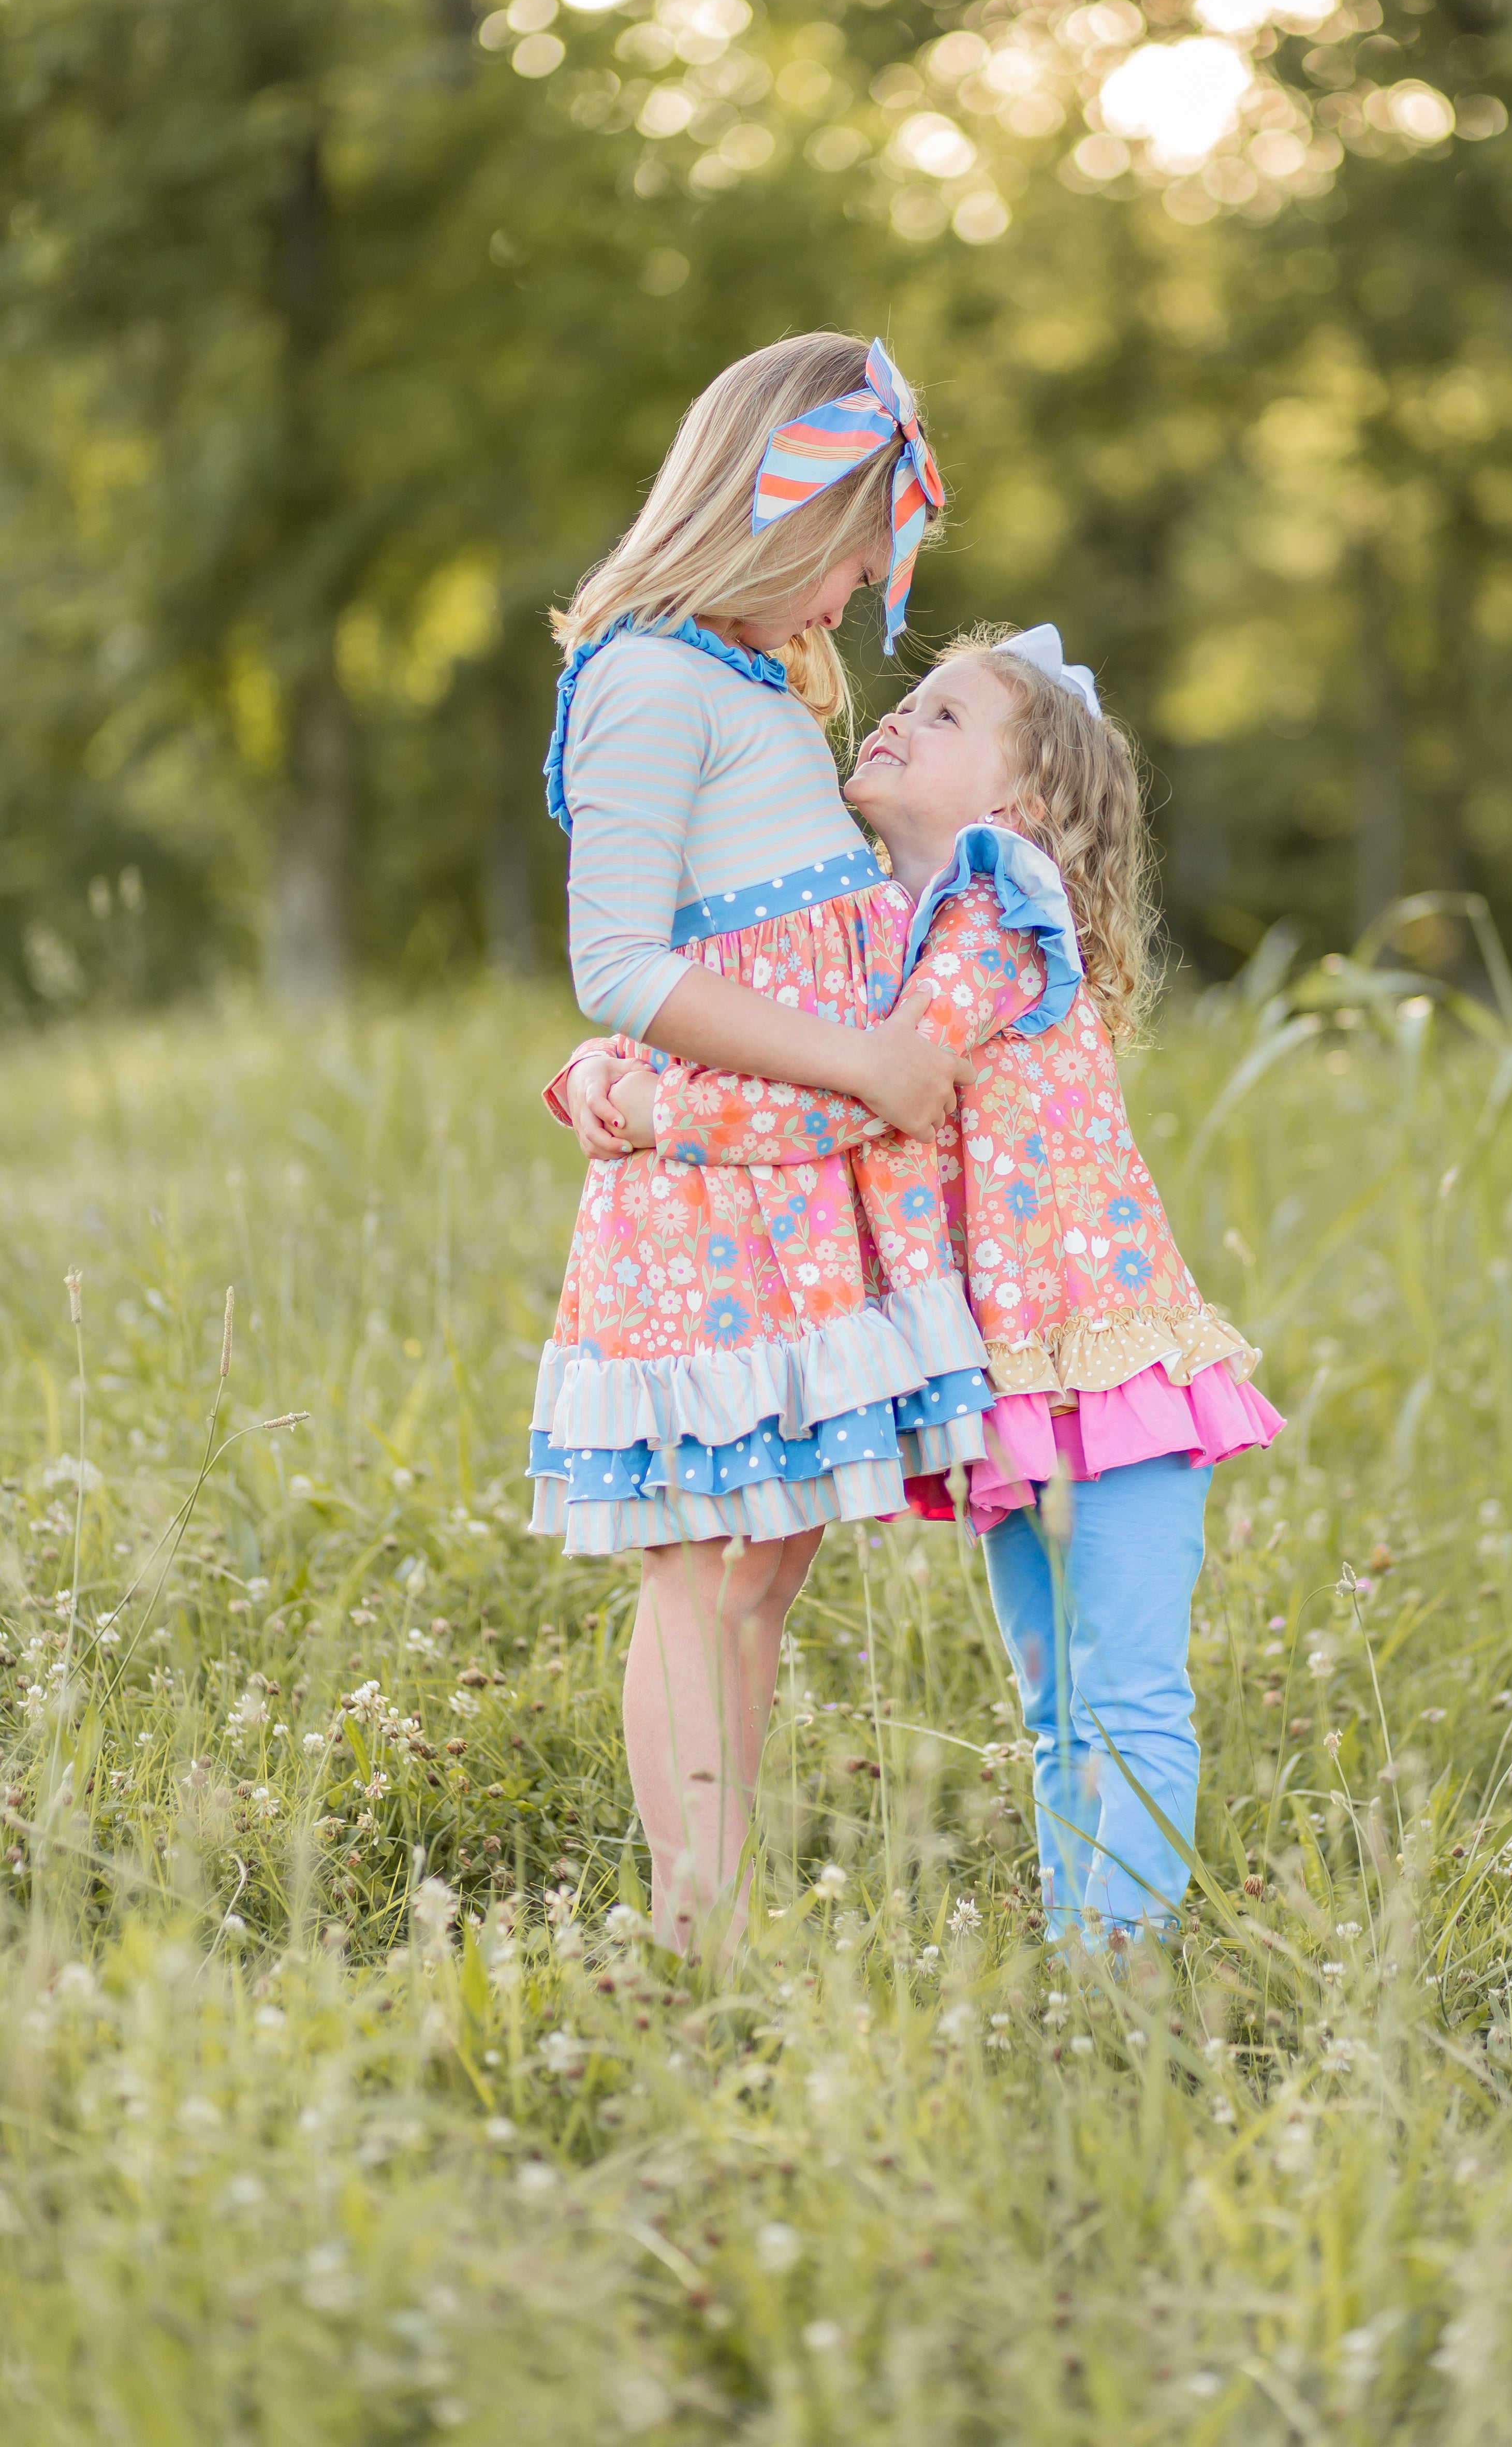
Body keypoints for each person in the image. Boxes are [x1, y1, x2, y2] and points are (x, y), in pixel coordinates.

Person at [602, 624, 1284, 1940]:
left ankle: (1121, 1980)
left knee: (1120, 1688)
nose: (899, 718)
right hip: (1019, 1385)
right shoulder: (872, 919)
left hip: (1110, 1368)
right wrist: (613, 1063)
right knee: (1054, 1701)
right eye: (906, 700)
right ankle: (1089, 1957)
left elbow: (861, 1094)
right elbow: (767, 1026)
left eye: (946, 716)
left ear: (1019, 806)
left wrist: (651, 1109)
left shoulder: (994, 905)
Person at [533, 331, 990, 1955]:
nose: (878, 577)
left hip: (802, 1189)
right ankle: (690, 1921)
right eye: (871, 537)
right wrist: (858, 1059)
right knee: (707, 1563)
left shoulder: (758, 685)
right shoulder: (648, 678)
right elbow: (623, 962)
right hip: (718, 1195)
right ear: (784, 514)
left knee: (768, 1561)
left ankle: (715, 1904)